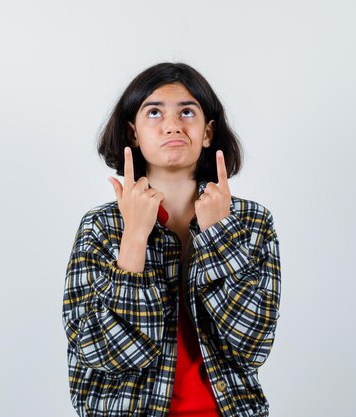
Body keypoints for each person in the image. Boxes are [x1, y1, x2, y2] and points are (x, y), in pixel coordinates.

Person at [61, 62, 282, 417]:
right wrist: (133, 236)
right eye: (154, 112)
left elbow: (251, 345)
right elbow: (103, 354)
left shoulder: (252, 221)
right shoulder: (100, 226)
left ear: (207, 132)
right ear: (133, 133)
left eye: (187, 112)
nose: (172, 125)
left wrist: (218, 236)